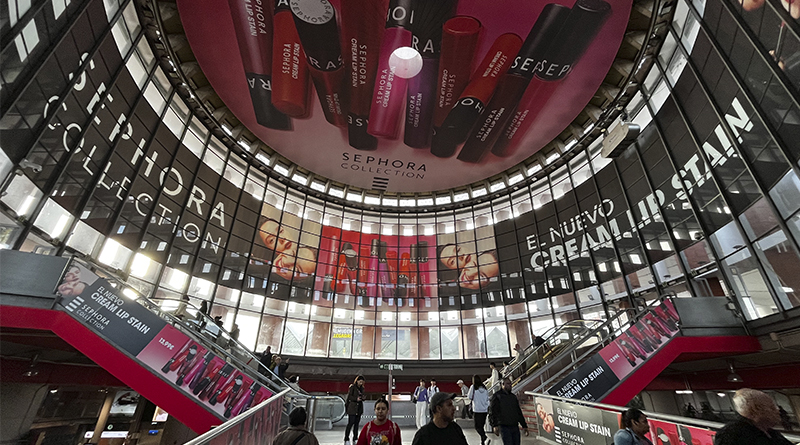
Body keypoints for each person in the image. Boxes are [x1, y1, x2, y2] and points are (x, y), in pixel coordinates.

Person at [714, 388, 793, 445]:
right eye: (772, 407)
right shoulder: (732, 434)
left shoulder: (770, 432)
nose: (777, 410)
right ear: (756, 410)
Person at [489, 378, 528, 445]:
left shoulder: (513, 397)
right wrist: (494, 425)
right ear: (502, 385)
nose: (510, 385)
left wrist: (524, 425)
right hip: (504, 426)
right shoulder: (497, 396)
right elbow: (492, 411)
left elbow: (518, 411)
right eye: (507, 384)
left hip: (514, 425)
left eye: (510, 384)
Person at [469, 375, 490, 445]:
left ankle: (484, 437)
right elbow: (487, 398)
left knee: (477, 427)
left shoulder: (473, 387)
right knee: (481, 426)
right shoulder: (484, 388)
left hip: (477, 410)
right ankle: (482, 441)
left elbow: (469, 396)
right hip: (484, 410)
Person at [345, 375, 365, 445]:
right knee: (350, 423)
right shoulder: (352, 387)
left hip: (359, 408)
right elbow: (349, 396)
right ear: (357, 381)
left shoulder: (362, 388)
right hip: (352, 408)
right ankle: (346, 438)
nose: (361, 383)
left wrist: (363, 398)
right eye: (360, 382)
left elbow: (363, 396)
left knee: (356, 424)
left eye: (362, 382)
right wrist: (356, 399)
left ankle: (355, 438)